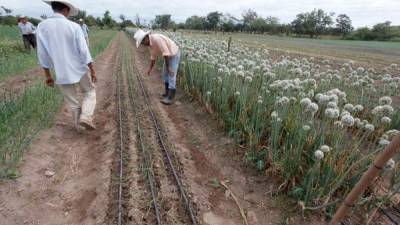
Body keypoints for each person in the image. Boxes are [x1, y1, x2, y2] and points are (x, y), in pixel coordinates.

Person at [36, 0, 97, 131]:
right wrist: (92, 69)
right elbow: (84, 50)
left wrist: (48, 76)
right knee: (89, 92)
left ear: (53, 8)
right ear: (66, 10)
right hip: (79, 68)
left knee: (72, 101)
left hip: (61, 71)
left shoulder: (41, 26)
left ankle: (80, 128)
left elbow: (42, 53)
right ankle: (86, 117)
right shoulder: (74, 26)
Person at [134, 29, 181, 105]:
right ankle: (167, 93)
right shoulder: (150, 44)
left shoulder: (157, 39)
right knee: (164, 74)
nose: (143, 44)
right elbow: (153, 57)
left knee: (171, 74)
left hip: (173, 54)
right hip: (168, 55)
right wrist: (150, 69)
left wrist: (169, 67)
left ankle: (170, 98)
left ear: (146, 38)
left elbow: (166, 53)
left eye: (142, 42)